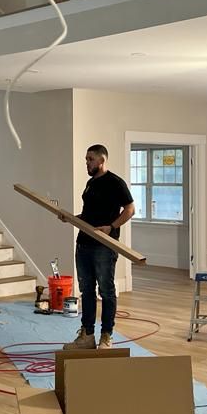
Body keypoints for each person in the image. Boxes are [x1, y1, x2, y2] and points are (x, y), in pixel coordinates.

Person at [63, 144, 135, 350]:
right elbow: (88, 215)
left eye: (90, 159)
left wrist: (111, 227)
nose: (87, 162)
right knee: (86, 290)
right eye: (86, 159)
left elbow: (130, 209)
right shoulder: (90, 184)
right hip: (84, 243)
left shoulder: (115, 183)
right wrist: (71, 218)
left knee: (106, 290)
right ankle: (86, 335)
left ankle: (106, 336)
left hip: (104, 245)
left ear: (102, 161)